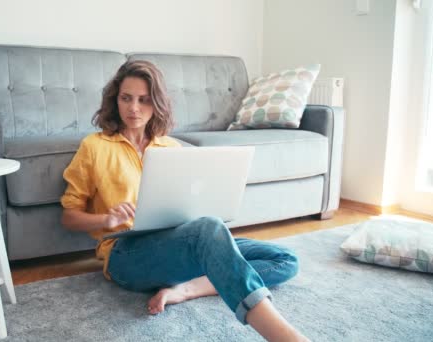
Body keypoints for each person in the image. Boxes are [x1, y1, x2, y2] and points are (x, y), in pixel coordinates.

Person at [60, 60, 309, 341]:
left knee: (284, 259)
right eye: (126, 98)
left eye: (143, 100)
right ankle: (285, 337)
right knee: (210, 230)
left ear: (156, 104)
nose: (133, 108)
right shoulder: (95, 146)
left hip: (179, 241)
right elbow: (69, 216)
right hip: (125, 254)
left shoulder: (170, 147)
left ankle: (187, 288)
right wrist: (107, 219)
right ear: (114, 100)